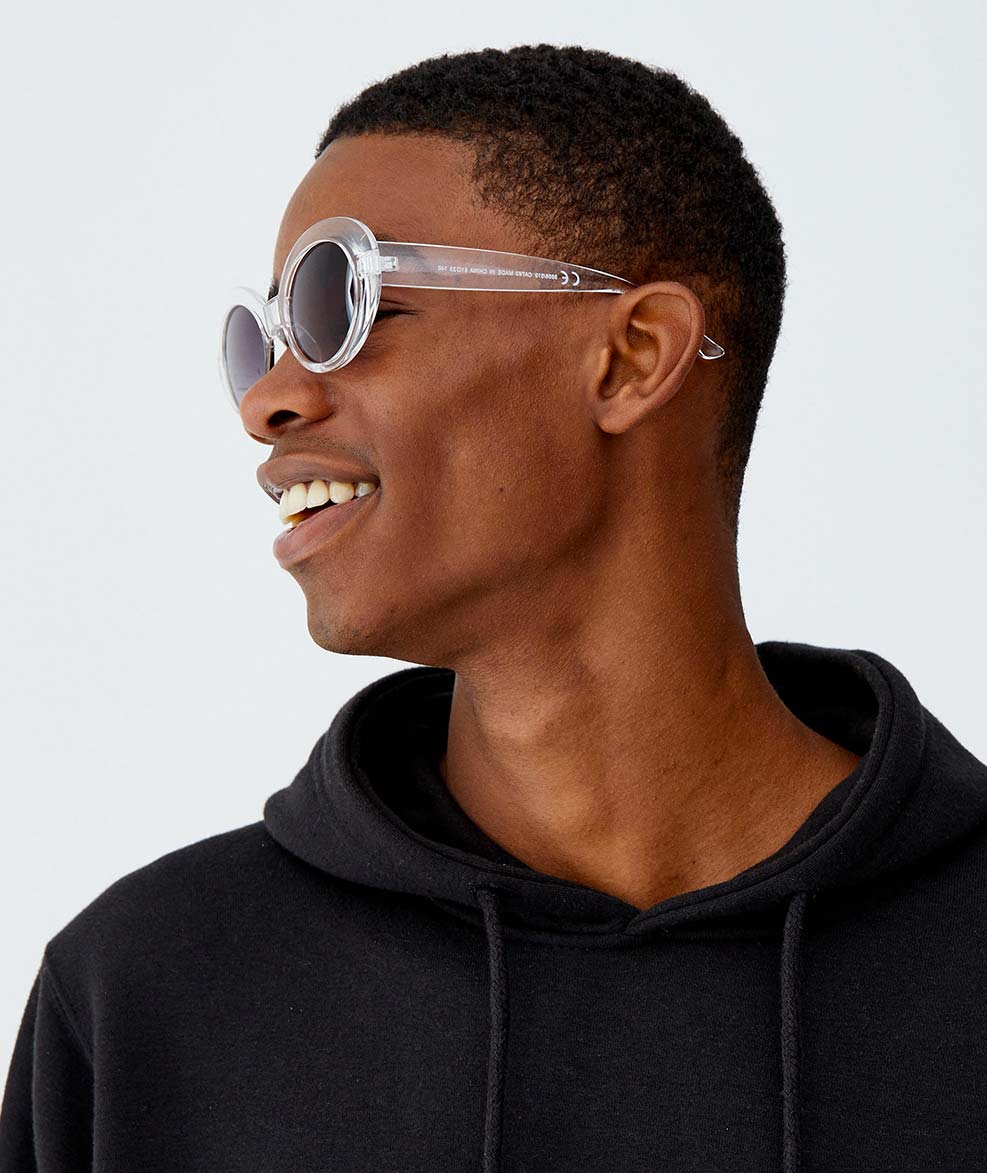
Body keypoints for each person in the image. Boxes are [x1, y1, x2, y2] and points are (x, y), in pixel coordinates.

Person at [2, 42, 985, 1173]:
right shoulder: (145, 997)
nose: (267, 399)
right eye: (261, 339)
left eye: (341, 302)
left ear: (631, 357)